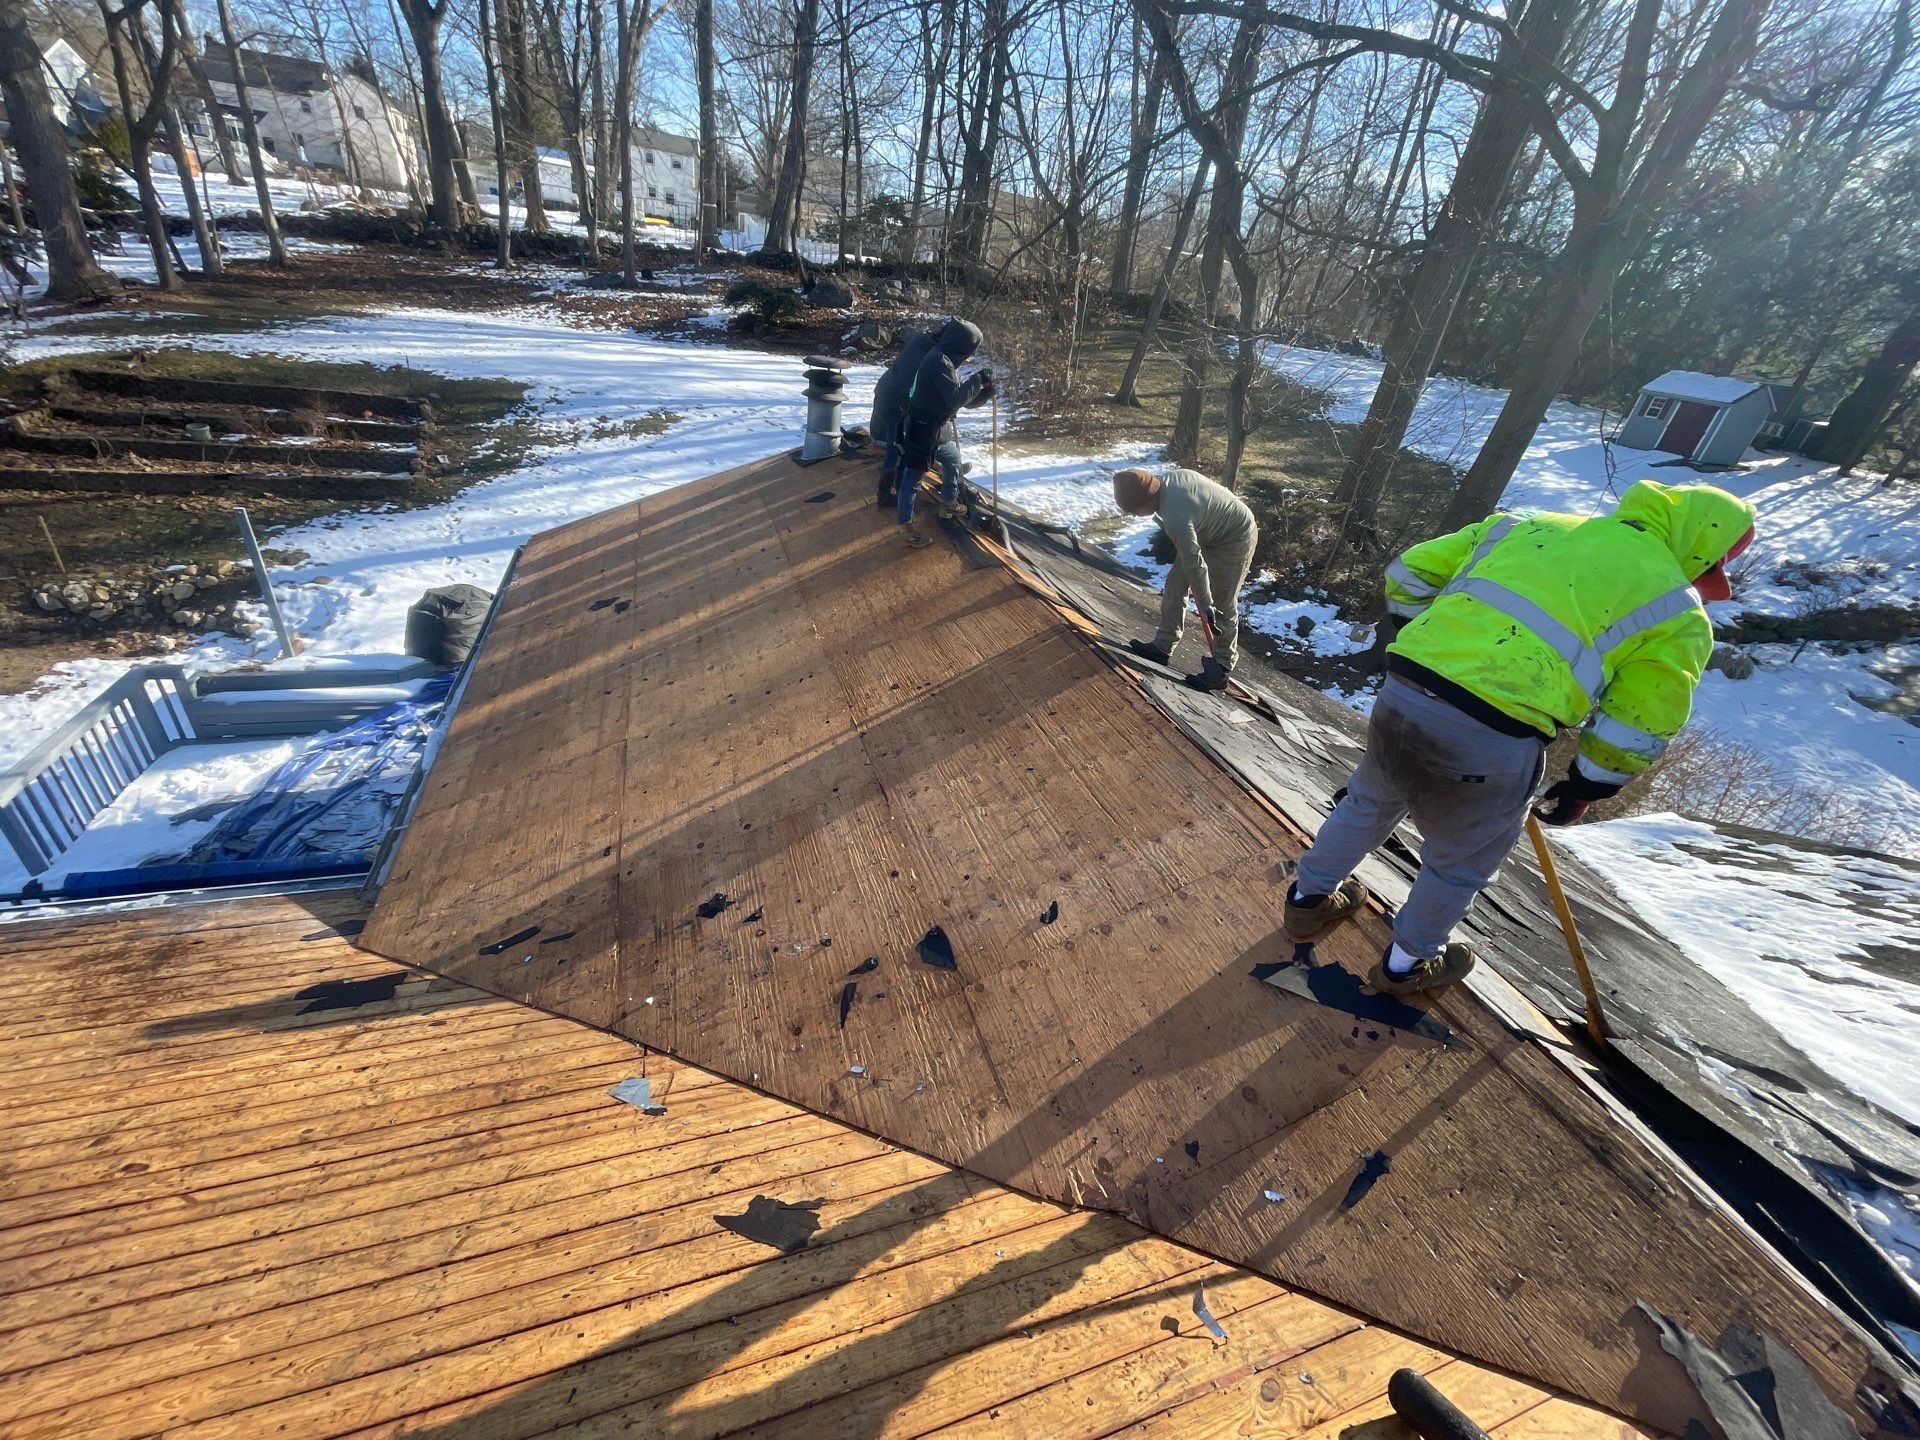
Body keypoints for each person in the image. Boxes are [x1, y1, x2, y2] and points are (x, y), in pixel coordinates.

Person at [1281, 478, 1756, 996]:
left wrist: (1430, 647)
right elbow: (1637, 723)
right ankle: (1404, 968)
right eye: (1718, 563)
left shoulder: (1529, 524)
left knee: (1368, 802)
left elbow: (1408, 573)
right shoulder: (1679, 611)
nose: (1717, 576)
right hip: (1494, 736)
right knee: (1458, 862)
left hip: (1404, 691)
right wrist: (1585, 788)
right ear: (1702, 548)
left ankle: (1306, 903)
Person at [1113, 466, 1259, 692]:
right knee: (1175, 584)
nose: (1136, 516)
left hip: (1236, 535)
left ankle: (1221, 667)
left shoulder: (1175, 514)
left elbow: (1194, 564)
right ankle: (1163, 646)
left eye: (1135, 511)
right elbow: (1192, 558)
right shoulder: (1166, 483)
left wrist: (1205, 603)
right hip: (1206, 531)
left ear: (1147, 499)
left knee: (1222, 603)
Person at [895, 319, 994, 548]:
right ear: (961, 346)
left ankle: (948, 502)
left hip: (938, 429)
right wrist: (977, 379)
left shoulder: (946, 361)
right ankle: (905, 526)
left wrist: (984, 393)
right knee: (913, 479)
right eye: (969, 350)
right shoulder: (939, 361)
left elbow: (963, 400)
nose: (969, 356)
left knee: (954, 461)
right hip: (923, 428)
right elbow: (954, 400)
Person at [870, 325, 941, 508]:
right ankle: (886, 495)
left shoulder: (919, 340)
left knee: (894, 445)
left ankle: (897, 487)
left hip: (885, 389)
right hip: (896, 401)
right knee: (897, 450)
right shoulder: (934, 356)